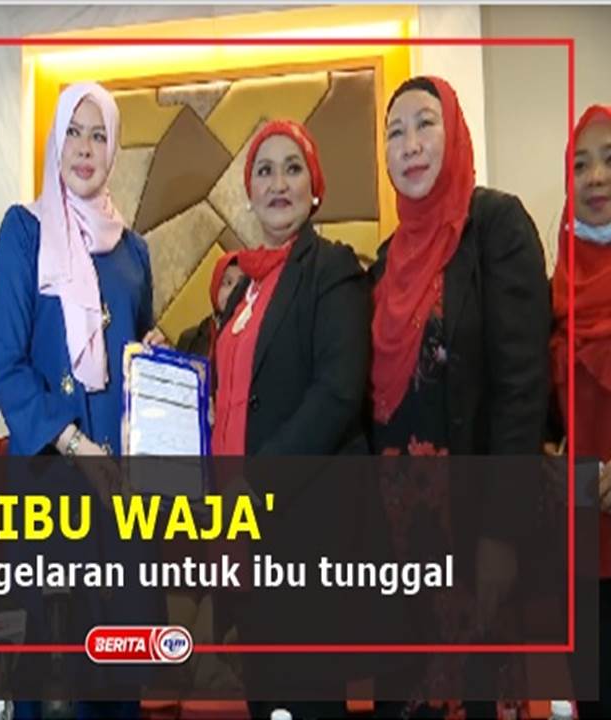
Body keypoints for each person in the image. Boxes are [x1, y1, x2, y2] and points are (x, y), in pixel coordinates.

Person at [368, 75, 551, 719]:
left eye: (425, 123)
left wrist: (501, 531)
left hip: (472, 529)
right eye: (395, 132)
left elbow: (522, 388)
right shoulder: (385, 260)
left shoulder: (495, 226)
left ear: (455, 132)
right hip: (397, 538)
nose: (411, 144)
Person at [0, 81, 162, 719]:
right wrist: (73, 442)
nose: (85, 149)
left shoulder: (134, 249)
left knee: (120, 667)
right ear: (55, 142)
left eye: (99, 135)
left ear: (112, 149)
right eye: (73, 133)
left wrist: (155, 354)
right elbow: (3, 359)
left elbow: (136, 347)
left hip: (122, 489)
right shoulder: (24, 231)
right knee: (50, 669)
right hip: (50, 476)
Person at [211, 119, 370, 457]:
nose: (278, 184)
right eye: (264, 171)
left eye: (293, 168)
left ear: (314, 189)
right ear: (250, 193)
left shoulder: (332, 268)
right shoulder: (243, 289)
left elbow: (337, 393)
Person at [550, 103, 611, 720]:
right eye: (580, 165)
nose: (596, 177)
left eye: (610, 160)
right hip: (585, 546)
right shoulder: (556, 288)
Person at [176, 251, 243, 358]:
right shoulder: (189, 339)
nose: (232, 292)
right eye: (227, 283)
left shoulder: (249, 346)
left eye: (240, 286)